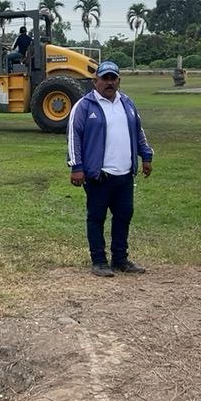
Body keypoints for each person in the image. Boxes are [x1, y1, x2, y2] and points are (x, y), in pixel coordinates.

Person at [67, 61, 154, 277]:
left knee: (124, 215)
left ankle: (120, 259)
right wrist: (76, 167)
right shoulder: (84, 106)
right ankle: (99, 261)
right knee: (96, 217)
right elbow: (73, 137)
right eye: (104, 78)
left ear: (118, 81)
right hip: (99, 174)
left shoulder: (127, 103)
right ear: (95, 81)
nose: (109, 82)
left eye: (113, 78)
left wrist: (146, 156)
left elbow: (138, 131)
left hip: (124, 173)